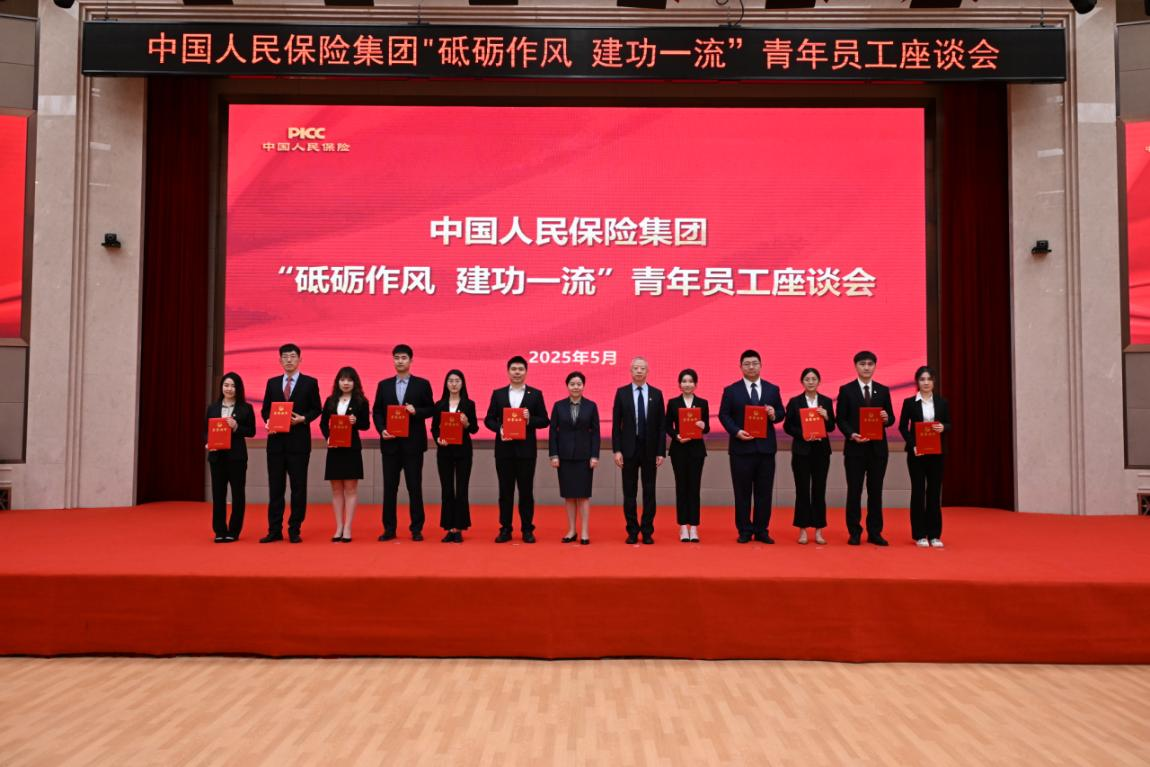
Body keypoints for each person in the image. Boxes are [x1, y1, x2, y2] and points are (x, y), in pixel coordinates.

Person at [718, 349, 786, 544]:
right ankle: (745, 530)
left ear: (761, 365)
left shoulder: (772, 389)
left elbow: (781, 413)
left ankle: (761, 530)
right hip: (741, 449)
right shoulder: (731, 390)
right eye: (747, 364)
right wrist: (736, 431)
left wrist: (774, 414)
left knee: (764, 492)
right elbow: (724, 415)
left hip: (766, 450)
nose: (751, 367)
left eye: (755, 363)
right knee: (742, 493)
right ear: (740, 367)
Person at [371, 344, 436, 542]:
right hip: (390, 444)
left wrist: (417, 411)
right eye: (397, 357)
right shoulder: (384, 385)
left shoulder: (422, 384)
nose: (400, 361)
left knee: (414, 487)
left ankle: (416, 528)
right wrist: (381, 429)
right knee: (390, 488)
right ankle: (389, 528)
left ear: (411, 360)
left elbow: (431, 409)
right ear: (393, 360)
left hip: (413, 445)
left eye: (404, 358)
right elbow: (377, 411)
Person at [259, 344, 322, 544]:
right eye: (285, 357)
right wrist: (268, 421)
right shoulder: (272, 383)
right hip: (276, 444)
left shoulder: (310, 383)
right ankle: (274, 530)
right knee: (275, 488)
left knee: (298, 488)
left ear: (300, 359)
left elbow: (317, 409)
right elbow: (265, 410)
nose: (289, 360)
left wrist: (303, 419)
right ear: (280, 360)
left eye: (293, 356)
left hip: (299, 444)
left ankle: (295, 529)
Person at [484, 355, 550, 544]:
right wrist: (500, 428)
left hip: (526, 452)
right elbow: (489, 419)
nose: (517, 372)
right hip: (504, 451)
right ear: (508, 372)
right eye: (514, 369)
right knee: (505, 492)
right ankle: (505, 529)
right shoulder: (498, 394)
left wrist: (530, 419)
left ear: (526, 372)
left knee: (526, 492)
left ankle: (527, 529)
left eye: (521, 369)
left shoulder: (535, 394)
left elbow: (545, 420)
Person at [835, 350, 897, 546]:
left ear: (875, 366)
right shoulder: (846, 390)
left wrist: (887, 419)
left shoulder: (883, 390)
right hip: (855, 449)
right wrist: (852, 434)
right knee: (854, 491)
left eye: (870, 364)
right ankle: (854, 532)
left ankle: (875, 532)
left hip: (878, 450)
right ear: (856, 366)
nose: (866, 368)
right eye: (862, 364)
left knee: (875, 492)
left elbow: (891, 418)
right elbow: (840, 419)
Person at [611, 357, 666, 544]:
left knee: (649, 491)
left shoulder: (657, 394)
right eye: (636, 368)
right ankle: (632, 530)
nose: (639, 371)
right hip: (628, 450)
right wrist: (617, 450)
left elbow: (661, 426)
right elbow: (616, 425)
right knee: (629, 492)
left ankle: (647, 531)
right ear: (631, 371)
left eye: (642, 368)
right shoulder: (622, 393)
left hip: (650, 450)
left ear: (647, 371)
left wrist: (661, 451)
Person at [898, 365, 951, 549]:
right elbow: (903, 427)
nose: (926, 382)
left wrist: (943, 427)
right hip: (917, 454)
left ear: (933, 382)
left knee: (934, 493)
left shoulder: (942, 402)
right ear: (917, 382)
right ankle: (920, 534)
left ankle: (934, 535)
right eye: (922, 379)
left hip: (936, 454)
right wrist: (913, 445)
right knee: (918, 492)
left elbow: (949, 423)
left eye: (929, 379)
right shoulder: (909, 403)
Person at [782, 368, 836, 545]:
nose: (811, 382)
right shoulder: (795, 402)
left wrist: (826, 417)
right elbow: (787, 426)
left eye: (814, 379)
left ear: (819, 381)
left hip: (821, 452)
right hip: (801, 452)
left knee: (819, 490)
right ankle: (803, 529)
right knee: (802, 490)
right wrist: (803, 434)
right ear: (802, 382)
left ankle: (819, 530)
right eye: (807, 379)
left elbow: (831, 427)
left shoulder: (826, 401)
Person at [549, 371, 601, 545]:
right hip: (564, 457)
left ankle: (585, 531)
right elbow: (553, 433)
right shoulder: (558, 406)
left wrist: (594, 455)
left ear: (583, 386)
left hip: (584, 457)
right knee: (569, 496)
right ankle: (571, 530)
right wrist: (554, 454)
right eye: (572, 384)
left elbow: (596, 433)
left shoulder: (591, 406)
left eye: (579, 384)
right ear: (567, 386)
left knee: (583, 496)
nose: (576, 387)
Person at [319, 367, 370, 543]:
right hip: (334, 449)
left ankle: (348, 527)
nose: (346, 383)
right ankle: (339, 526)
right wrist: (328, 437)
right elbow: (323, 423)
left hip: (351, 449)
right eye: (342, 379)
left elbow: (366, 425)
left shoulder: (361, 401)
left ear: (355, 382)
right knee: (336, 489)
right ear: (337, 382)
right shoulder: (330, 401)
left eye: (349, 380)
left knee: (350, 488)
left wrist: (356, 421)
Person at [204, 372, 256, 543]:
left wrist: (236, 427)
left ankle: (234, 531)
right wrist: (208, 443)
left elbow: (251, 431)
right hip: (217, 457)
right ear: (222, 387)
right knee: (218, 494)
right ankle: (219, 531)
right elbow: (206, 431)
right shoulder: (212, 408)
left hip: (237, 458)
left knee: (237, 495)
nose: (229, 389)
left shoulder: (246, 408)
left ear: (238, 388)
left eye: (233, 386)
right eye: (226, 385)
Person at [430, 369, 480, 543]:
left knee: (461, 489)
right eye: (450, 380)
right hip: (444, 452)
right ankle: (448, 527)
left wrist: (466, 423)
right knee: (447, 489)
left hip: (463, 452)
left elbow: (474, 429)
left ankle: (458, 528)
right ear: (446, 383)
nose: (453, 384)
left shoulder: (469, 404)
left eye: (457, 381)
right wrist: (438, 439)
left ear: (462, 383)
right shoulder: (439, 405)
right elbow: (434, 428)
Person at [665, 368, 709, 543]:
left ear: (696, 384)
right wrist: (676, 436)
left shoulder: (703, 403)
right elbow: (667, 426)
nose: (687, 384)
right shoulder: (673, 403)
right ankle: (683, 526)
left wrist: (702, 425)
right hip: (679, 450)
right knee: (681, 487)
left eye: (690, 381)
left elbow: (707, 428)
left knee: (694, 488)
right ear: (679, 384)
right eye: (684, 381)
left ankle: (694, 527)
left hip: (697, 451)